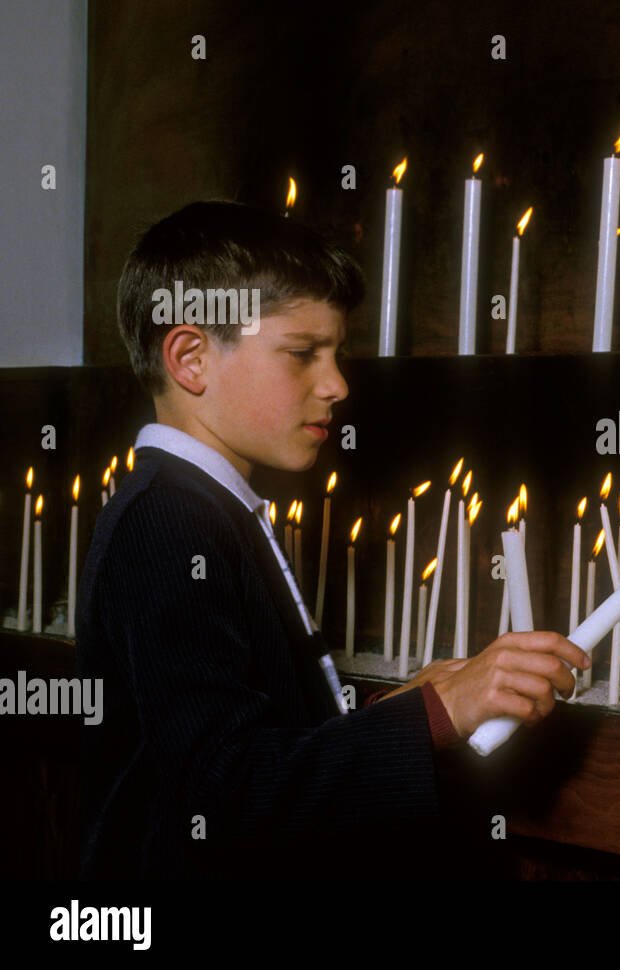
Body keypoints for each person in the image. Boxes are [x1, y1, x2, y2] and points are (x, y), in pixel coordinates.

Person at [76, 200, 588, 877]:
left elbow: (255, 739)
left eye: (337, 352)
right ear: (192, 358)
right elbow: (223, 797)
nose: (337, 383)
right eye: (301, 354)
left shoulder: (202, 508)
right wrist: (438, 712)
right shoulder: (170, 524)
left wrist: (396, 709)